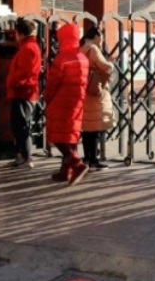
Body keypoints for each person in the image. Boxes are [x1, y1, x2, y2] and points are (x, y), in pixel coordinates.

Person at [44, 22, 89, 185]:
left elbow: (53, 82)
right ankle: (66, 171)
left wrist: (47, 97)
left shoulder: (62, 58)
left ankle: (76, 163)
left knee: (57, 135)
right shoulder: (83, 58)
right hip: (77, 101)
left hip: (61, 101)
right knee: (70, 135)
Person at [6, 18, 42, 169]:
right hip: (25, 92)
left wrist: (13, 82)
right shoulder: (30, 47)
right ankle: (21, 156)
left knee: (21, 126)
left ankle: (26, 157)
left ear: (20, 33)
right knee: (20, 126)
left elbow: (24, 73)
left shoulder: (27, 49)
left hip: (22, 92)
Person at [79, 25, 115, 170]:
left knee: (87, 129)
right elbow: (105, 66)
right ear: (96, 36)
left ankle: (87, 158)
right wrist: (111, 64)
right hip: (95, 92)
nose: (103, 39)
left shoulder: (81, 48)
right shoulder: (93, 48)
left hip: (84, 91)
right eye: (102, 36)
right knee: (95, 128)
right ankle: (94, 160)